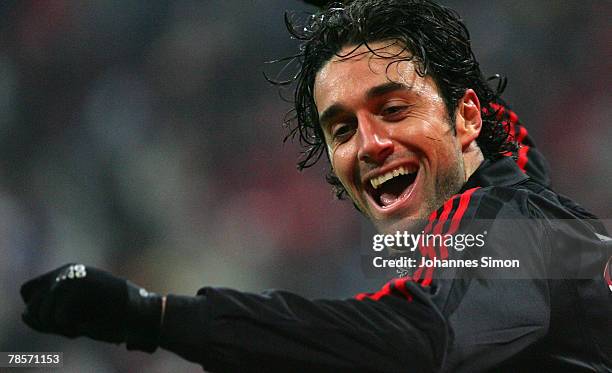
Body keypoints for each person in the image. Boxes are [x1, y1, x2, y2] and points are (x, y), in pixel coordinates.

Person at [20, 0, 611, 371]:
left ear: (464, 119)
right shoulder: (520, 201)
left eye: (395, 108)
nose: (371, 145)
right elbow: (496, 128)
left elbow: (408, 341)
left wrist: (151, 317)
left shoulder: (504, 223)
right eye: (343, 127)